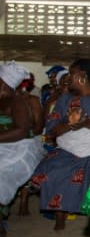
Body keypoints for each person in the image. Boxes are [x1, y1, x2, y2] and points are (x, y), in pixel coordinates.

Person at [30, 59, 90, 234]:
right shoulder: (65, 100)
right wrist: (71, 125)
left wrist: (87, 123)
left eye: (71, 73)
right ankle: (60, 218)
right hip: (69, 148)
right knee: (51, 172)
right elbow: (52, 129)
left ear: (82, 76)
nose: (68, 77)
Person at [0, 61, 45, 237]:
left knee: (3, 177)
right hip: (4, 146)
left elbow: (21, 130)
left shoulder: (17, 101)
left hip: (19, 149)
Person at [15, 73, 45, 215]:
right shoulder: (5, 100)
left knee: (24, 159)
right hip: (10, 140)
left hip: (30, 139)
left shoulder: (32, 100)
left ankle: (24, 200)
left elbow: (39, 127)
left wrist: (20, 136)